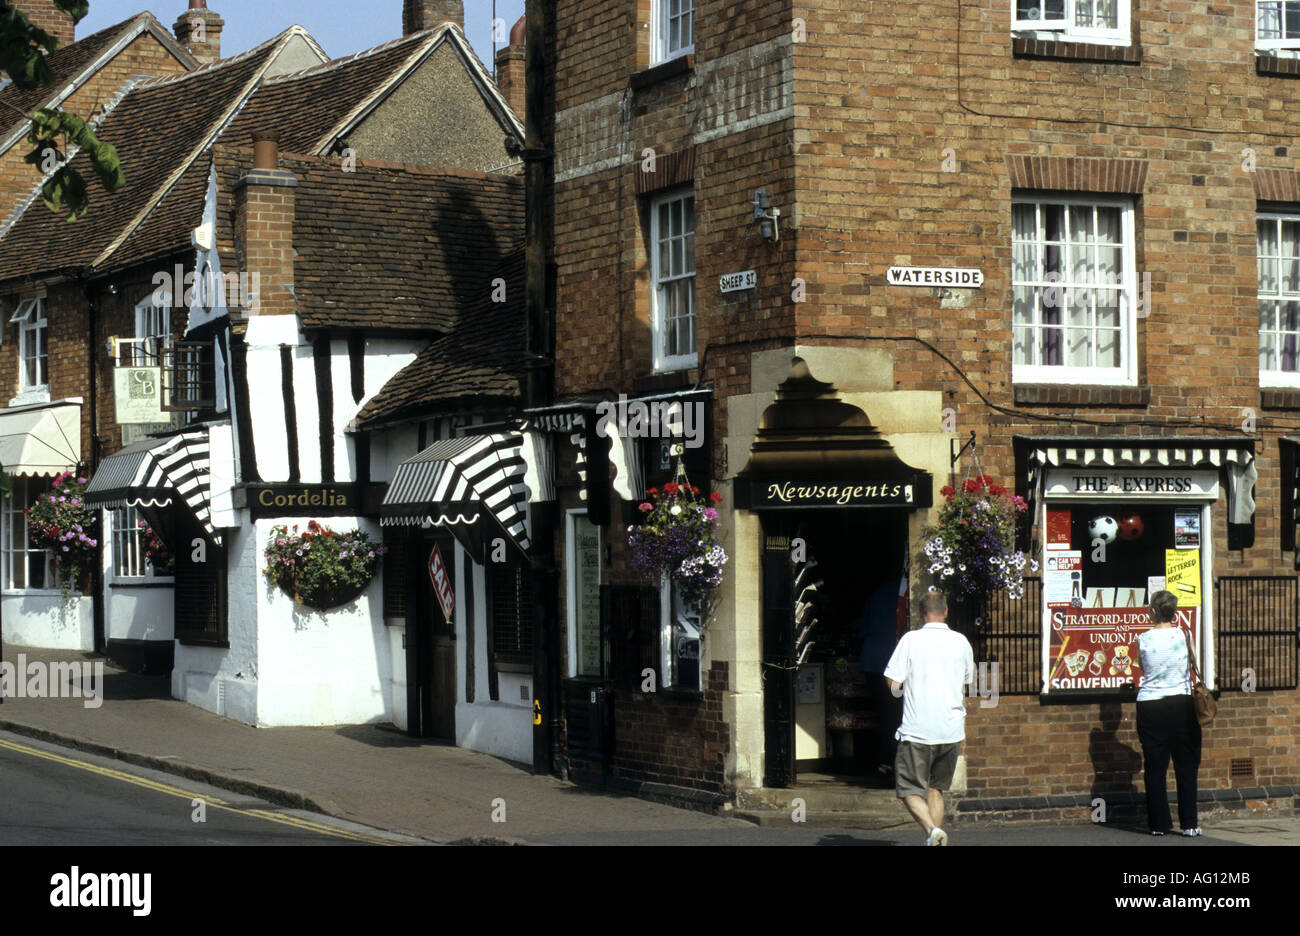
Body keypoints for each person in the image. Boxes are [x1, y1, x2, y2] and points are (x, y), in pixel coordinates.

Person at [883, 589, 974, 846]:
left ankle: (931, 831)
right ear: (946, 612)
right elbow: (967, 681)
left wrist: (906, 689)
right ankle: (935, 839)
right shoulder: (961, 641)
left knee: (908, 789)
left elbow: (892, 682)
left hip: (918, 730)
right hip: (951, 729)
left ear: (921, 614)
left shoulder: (910, 640)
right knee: (936, 789)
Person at [1135, 589, 1202, 837]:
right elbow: (1194, 663)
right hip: (1181, 704)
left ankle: (1158, 824)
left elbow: (1142, 667)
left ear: (1153, 611)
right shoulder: (1185, 635)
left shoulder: (1143, 639)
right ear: (1174, 613)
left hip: (1150, 704)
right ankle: (1189, 824)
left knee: (1155, 766)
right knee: (1186, 765)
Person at [858, 577, 904, 779]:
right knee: (895, 716)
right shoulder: (903, 593)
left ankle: (880, 760)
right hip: (892, 664)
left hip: (871, 662)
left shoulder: (877, 592)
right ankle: (890, 761)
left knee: (881, 714)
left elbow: (864, 628)